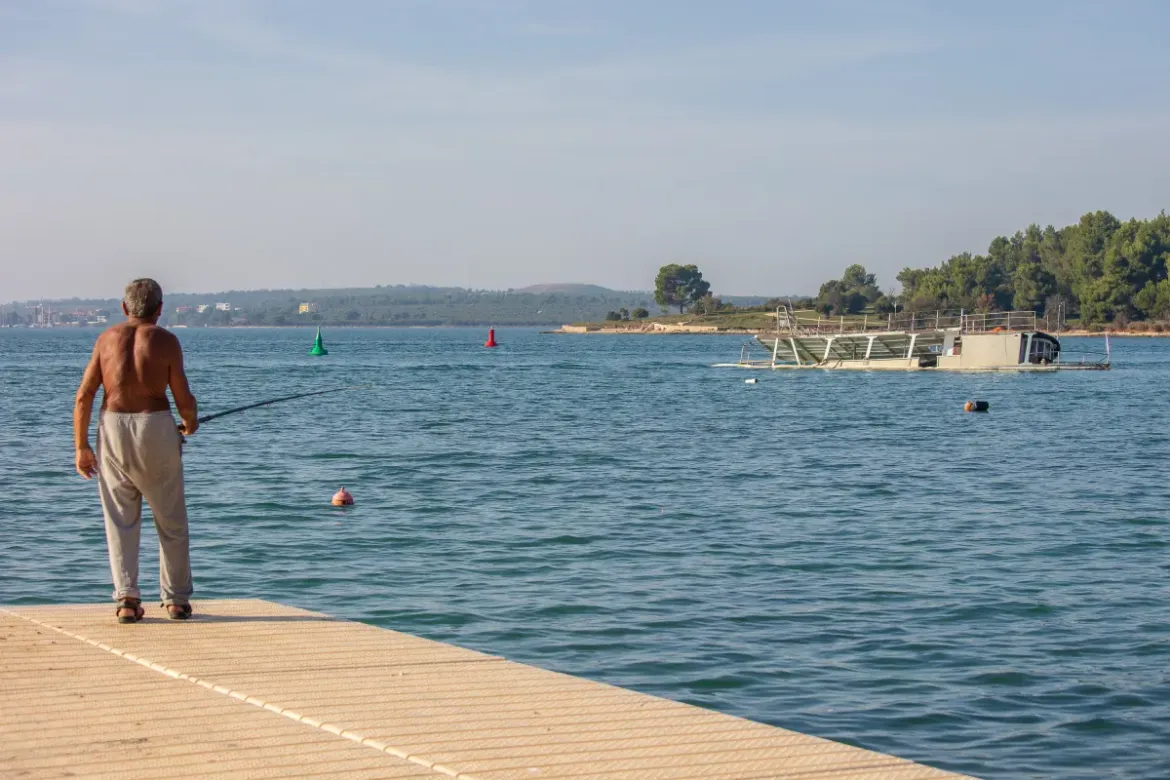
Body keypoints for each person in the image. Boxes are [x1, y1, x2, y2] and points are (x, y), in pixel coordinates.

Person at [73, 279, 199, 623]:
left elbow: (84, 396)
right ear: (159, 309)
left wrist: (81, 446)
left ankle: (127, 600)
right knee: (170, 518)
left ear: (125, 308)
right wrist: (190, 422)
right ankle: (175, 600)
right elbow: (182, 397)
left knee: (119, 518)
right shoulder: (166, 341)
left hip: (112, 425)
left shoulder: (106, 339)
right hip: (154, 424)